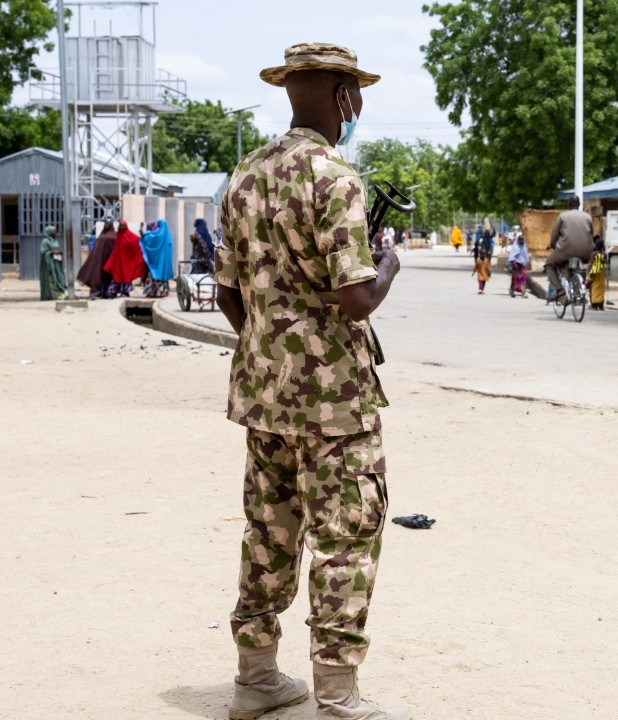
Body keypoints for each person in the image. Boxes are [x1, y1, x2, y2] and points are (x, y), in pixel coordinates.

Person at [214, 42, 409, 720]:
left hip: (264, 393)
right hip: (334, 404)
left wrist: (272, 344)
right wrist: (387, 264)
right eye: (354, 94)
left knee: (267, 532)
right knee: (345, 534)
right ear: (342, 95)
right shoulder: (335, 178)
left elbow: (228, 296)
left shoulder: (244, 175)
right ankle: (337, 693)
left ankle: (256, 678)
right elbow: (357, 299)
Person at [545, 197, 594, 301]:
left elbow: (555, 234)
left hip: (565, 250)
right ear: (579, 204)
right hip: (586, 251)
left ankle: (558, 289)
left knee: (549, 264)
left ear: (568, 204)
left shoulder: (563, 216)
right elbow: (591, 234)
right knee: (581, 268)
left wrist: (552, 244)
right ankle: (579, 291)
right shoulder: (588, 217)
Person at [104, 220, 146, 297]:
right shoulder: (117, 235)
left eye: (123, 225)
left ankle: (125, 292)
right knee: (117, 276)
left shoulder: (130, 235)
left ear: (126, 226)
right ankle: (114, 291)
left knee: (126, 276)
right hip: (118, 261)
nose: (122, 227)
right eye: (120, 225)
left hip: (126, 261)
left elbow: (137, 241)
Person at [77, 220, 117, 299]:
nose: (106, 225)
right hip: (108, 261)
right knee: (105, 276)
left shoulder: (102, 237)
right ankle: (107, 292)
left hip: (103, 261)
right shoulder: (112, 236)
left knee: (102, 275)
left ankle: (103, 292)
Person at [140, 218, 175, 298]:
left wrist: (141, 230)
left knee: (153, 276)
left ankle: (151, 292)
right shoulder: (169, 236)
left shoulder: (156, 235)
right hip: (164, 262)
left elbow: (147, 240)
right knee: (162, 277)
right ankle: (162, 292)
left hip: (156, 262)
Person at [38, 225, 67, 301]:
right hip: (49, 265)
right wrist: (51, 252)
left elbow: (56, 249)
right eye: (54, 231)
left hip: (57, 264)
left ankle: (61, 292)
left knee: (59, 277)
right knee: (52, 279)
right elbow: (43, 252)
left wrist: (59, 252)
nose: (56, 233)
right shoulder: (45, 241)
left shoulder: (55, 241)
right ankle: (52, 295)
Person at [587, 238, 607, 310]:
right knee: (601, 289)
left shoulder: (594, 254)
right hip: (601, 273)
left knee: (594, 288)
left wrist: (588, 274)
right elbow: (605, 263)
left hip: (594, 272)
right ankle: (601, 305)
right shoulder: (604, 254)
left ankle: (594, 305)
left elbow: (591, 264)